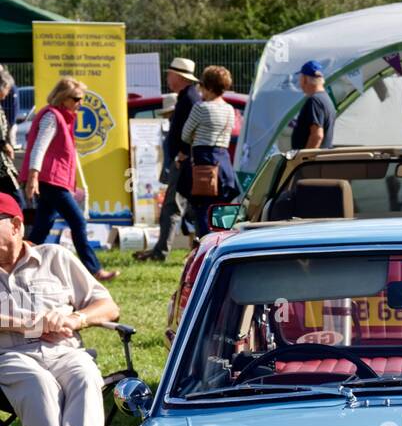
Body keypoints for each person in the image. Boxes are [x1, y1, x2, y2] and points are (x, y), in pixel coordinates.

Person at [0, 192, 119, 426]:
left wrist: (75, 317)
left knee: (84, 373)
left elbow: (107, 305)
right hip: (11, 357)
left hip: (65, 351)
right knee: (37, 382)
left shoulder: (56, 258)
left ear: (15, 225)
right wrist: (26, 324)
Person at [22, 76, 118, 282]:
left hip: (52, 180)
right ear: (63, 98)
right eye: (76, 98)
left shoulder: (62, 118)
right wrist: (33, 176)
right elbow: (39, 147)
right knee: (78, 222)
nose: (80, 103)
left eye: (81, 98)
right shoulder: (52, 117)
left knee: (41, 229)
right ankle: (94, 270)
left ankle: (17, 263)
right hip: (51, 181)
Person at [134, 57, 201, 261]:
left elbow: (189, 131)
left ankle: (161, 251)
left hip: (183, 162)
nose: (167, 77)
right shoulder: (188, 97)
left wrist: (182, 153)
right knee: (188, 208)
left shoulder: (188, 99)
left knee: (173, 206)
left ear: (179, 77)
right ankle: (191, 247)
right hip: (184, 161)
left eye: (170, 74)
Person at [176, 65, 239, 238]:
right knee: (221, 208)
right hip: (223, 161)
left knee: (202, 208)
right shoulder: (229, 109)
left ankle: (206, 244)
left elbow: (185, 134)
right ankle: (223, 240)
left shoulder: (201, 108)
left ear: (209, 88)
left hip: (203, 162)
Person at [291, 61, 336, 151]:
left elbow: (317, 135)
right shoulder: (325, 99)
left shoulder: (314, 101)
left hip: (311, 162)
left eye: (300, 77)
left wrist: (305, 159)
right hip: (320, 160)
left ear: (305, 79)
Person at [0, 70, 21, 200]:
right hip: (2, 165)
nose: (8, 93)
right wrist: (4, 144)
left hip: (2, 162)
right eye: (7, 88)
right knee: (16, 198)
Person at [0, 66, 19, 144]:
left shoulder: (12, 87)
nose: (7, 93)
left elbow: (14, 107)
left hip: (9, 123)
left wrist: (11, 123)